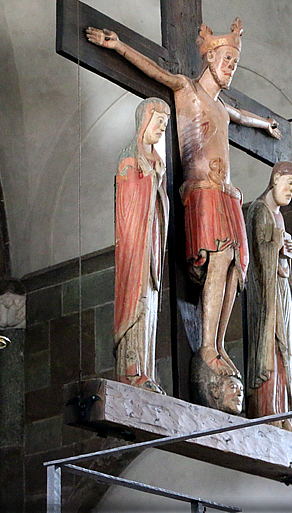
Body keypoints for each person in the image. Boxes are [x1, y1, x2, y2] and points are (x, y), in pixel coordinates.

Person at [87, 19, 281, 386]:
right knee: (219, 257)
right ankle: (206, 346)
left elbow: (241, 117)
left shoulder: (223, 108)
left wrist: (265, 123)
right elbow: (155, 70)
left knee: (237, 269)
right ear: (208, 58)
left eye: (234, 63)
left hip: (227, 193)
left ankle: (219, 344)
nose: (230, 68)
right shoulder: (186, 89)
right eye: (226, 59)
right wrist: (117, 46)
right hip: (202, 189)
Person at [112, 97, 170, 394]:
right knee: (136, 304)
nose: (162, 127)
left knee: (149, 308)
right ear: (143, 120)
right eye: (158, 120)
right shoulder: (131, 157)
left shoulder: (155, 163)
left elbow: (160, 206)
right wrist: (150, 179)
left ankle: (146, 370)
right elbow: (128, 205)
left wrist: (157, 179)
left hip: (151, 244)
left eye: (165, 122)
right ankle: (131, 371)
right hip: (135, 248)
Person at [245, 161, 292, 431]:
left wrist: (286, 250)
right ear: (276, 178)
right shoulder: (259, 210)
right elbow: (256, 255)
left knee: (284, 349)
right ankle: (269, 410)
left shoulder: (278, 215)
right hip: (265, 294)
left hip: (280, 289)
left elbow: (279, 260)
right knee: (271, 347)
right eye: (289, 183)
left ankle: (283, 413)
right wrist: (276, 245)